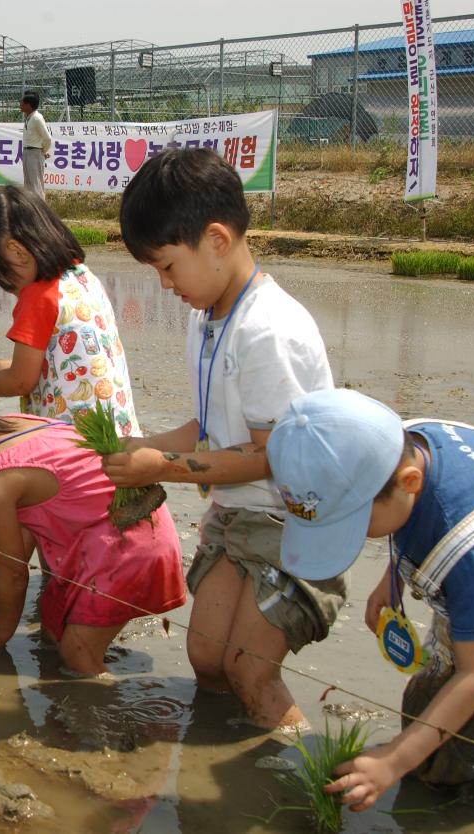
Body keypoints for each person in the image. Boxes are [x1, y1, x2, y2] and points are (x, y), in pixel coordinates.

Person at [103, 147, 338, 730]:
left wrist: (165, 466)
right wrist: (146, 447)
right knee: (207, 658)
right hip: (239, 516)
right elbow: (211, 427)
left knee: (247, 669)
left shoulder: (267, 330)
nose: (164, 285)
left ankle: (298, 772)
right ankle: (225, 762)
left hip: (296, 523)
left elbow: (267, 454)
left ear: (215, 240)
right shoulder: (205, 315)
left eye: (166, 266)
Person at [0, 358, 186, 671]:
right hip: (133, 528)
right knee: (53, 631)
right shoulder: (18, 423)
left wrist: (0, 633)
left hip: (129, 550)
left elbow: (16, 573)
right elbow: (23, 528)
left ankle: (99, 708)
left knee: (77, 653)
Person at [267, 389, 474, 810]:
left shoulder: (473, 553)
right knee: (424, 709)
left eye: (353, 522)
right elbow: (415, 513)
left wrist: (394, 759)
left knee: (462, 755)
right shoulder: (402, 441)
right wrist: (395, 575)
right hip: (471, 585)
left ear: (408, 484)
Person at [0, 185, 139, 436]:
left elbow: (20, 380)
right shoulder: (82, 277)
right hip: (117, 435)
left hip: (73, 444)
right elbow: (51, 364)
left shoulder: (38, 296)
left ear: (16, 252)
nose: (2, 284)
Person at [20, 91, 51, 197]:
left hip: (35, 153)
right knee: (28, 185)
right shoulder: (29, 117)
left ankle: (40, 210)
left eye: (22, 102)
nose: (20, 104)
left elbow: (47, 138)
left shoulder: (37, 118)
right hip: (28, 152)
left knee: (36, 185)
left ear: (28, 105)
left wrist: (43, 151)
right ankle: (31, 209)